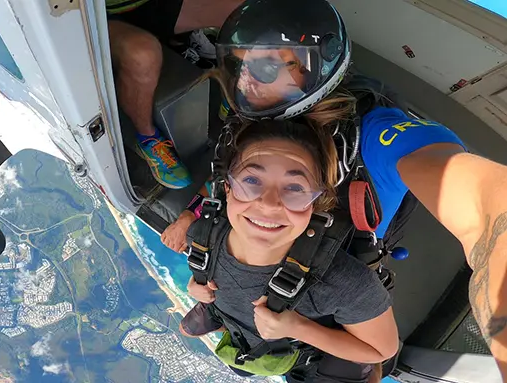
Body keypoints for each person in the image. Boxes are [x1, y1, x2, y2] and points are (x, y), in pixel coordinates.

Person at [161, 0, 507, 380]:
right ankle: (228, 317)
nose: (247, 81)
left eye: (266, 64)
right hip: (256, 271)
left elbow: (485, 205)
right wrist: (193, 213)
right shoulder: (251, 112)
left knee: (355, 365)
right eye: (237, 64)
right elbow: (232, 178)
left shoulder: (375, 133)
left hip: (336, 278)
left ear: (314, 65)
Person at [178, 119, 399, 381]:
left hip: (311, 350)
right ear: (227, 188)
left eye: (294, 188)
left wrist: (297, 327)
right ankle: (216, 314)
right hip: (242, 325)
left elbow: (380, 349)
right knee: (237, 359)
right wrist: (200, 285)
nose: (269, 204)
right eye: (251, 180)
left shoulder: (342, 282)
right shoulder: (201, 238)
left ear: (314, 204)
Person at [106, 0, 243, 189]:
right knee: (142, 54)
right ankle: (147, 137)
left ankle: (234, 87)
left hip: (144, 4)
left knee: (245, 10)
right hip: (95, 16)